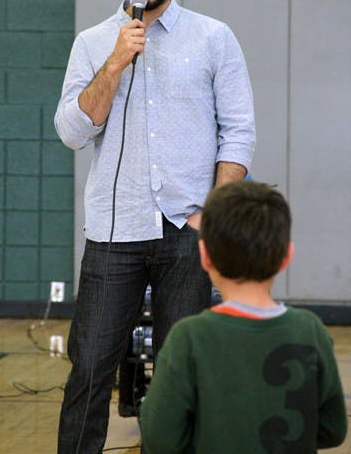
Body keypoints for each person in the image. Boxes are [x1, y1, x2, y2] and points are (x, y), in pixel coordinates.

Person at [54, 0, 256, 453]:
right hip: (113, 232)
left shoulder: (214, 38)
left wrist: (212, 215)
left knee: (183, 378)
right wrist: (116, 62)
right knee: (90, 373)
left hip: (186, 234)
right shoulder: (94, 43)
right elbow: (72, 131)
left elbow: (238, 133)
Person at [140, 181, 348, 453]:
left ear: (205, 256)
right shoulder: (310, 330)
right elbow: (333, 430)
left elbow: (160, 437)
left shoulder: (189, 337)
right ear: (286, 257)